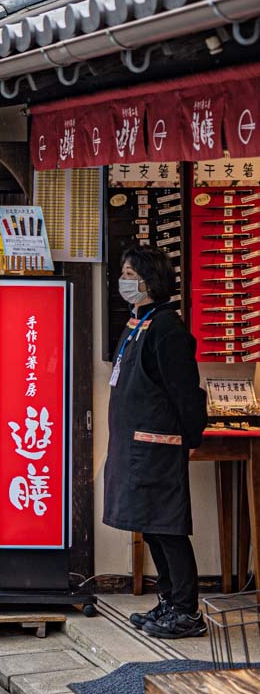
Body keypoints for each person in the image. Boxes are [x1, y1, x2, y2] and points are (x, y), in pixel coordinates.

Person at [105, 246, 207, 640]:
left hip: (158, 446)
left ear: (150, 281)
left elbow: (186, 394)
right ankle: (167, 600)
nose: (124, 279)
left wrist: (192, 438)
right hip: (134, 447)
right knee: (149, 525)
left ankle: (186, 611)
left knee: (168, 527)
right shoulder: (137, 323)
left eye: (130, 273)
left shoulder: (168, 329)